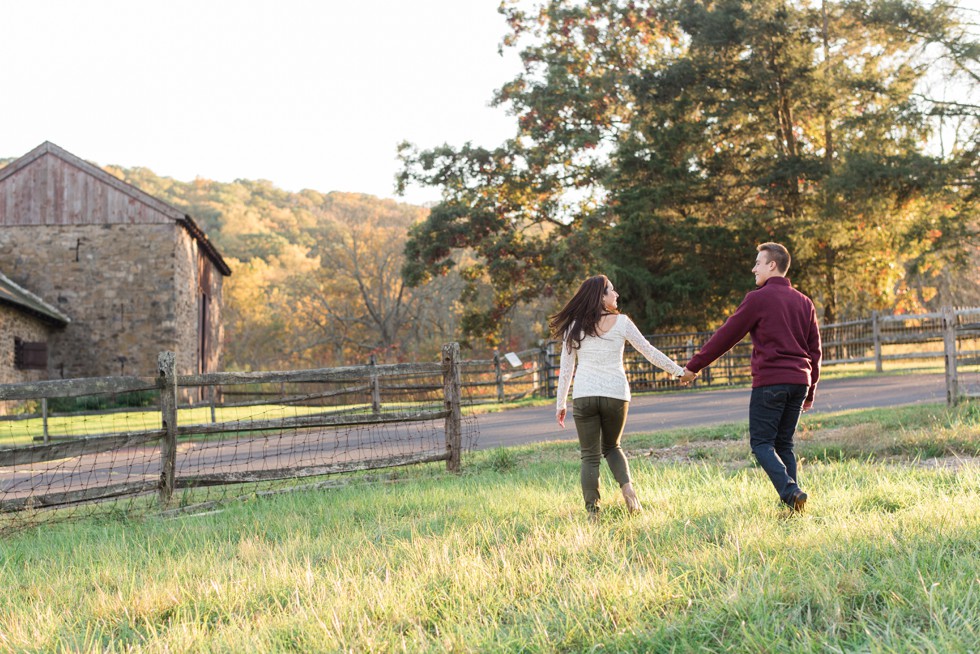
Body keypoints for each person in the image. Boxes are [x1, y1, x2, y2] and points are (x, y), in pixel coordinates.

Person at [681, 243, 821, 512]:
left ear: (772, 265)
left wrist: (694, 366)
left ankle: (790, 490)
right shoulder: (805, 302)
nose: (753, 268)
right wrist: (811, 390)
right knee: (784, 444)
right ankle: (793, 506)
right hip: (799, 382)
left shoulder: (758, 298)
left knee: (761, 443)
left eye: (758, 262)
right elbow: (815, 351)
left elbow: (727, 335)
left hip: (771, 381)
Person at [551, 274, 690, 519]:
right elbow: (649, 351)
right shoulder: (623, 322)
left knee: (589, 455)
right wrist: (678, 371)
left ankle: (593, 513)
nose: (616, 295)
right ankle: (631, 498)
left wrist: (561, 403)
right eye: (612, 291)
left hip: (584, 396)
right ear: (601, 297)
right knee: (612, 447)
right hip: (616, 394)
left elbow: (566, 369)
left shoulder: (574, 327)